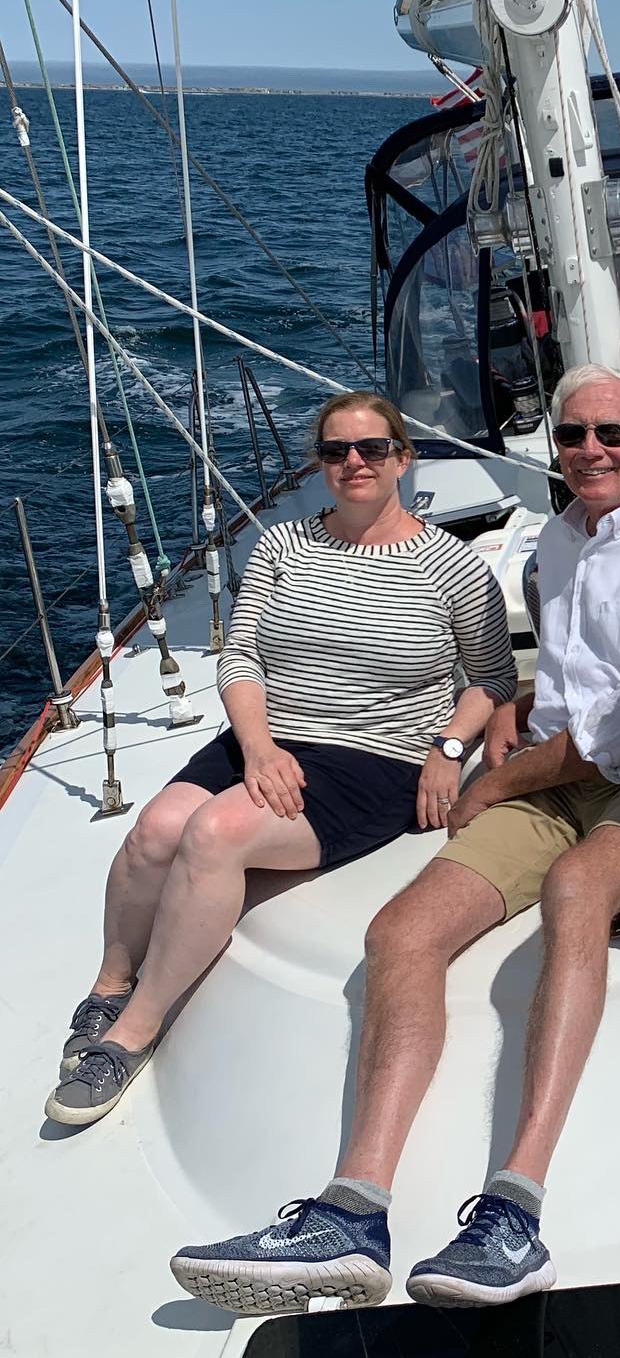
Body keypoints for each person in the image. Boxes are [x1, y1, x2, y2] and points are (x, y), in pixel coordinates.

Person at [170, 364, 620, 1315]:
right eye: (572, 435)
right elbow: (578, 679)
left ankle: (513, 1213)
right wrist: (513, 707)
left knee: (573, 891)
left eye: (611, 433)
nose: (589, 450)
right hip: (556, 771)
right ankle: (352, 1211)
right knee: (400, 932)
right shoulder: (558, 538)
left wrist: (493, 780)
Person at [46, 391, 517, 1127]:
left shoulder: (452, 567)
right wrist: (259, 746)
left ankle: (132, 1030)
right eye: (335, 451)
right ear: (321, 463)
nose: (354, 462)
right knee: (157, 828)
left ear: (403, 457)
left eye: (372, 448)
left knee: (214, 833)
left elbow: (493, 677)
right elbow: (241, 656)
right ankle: (111, 982)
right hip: (269, 734)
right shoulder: (283, 544)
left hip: (374, 757)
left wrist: (449, 748)